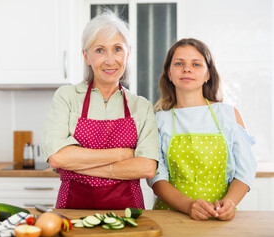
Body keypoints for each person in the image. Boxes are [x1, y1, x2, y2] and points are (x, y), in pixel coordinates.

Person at [42, 11, 159, 210]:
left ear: (127, 54)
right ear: (86, 56)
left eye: (117, 49)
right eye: (99, 50)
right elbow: (57, 157)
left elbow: (147, 168)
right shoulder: (67, 97)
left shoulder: (142, 106)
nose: (110, 60)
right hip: (72, 212)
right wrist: (123, 154)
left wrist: (79, 165)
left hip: (128, 215)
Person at [148, 38, 257, 220]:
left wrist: (229, 203)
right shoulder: (159, 120)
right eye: (179, 63)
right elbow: (157, 179)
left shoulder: (229, 115)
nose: (187, 69)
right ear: (169, 73)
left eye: (196, 64)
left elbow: (245, 170)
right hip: (170, 216)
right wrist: (189, 206)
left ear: (208, 74)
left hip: (219, 216)